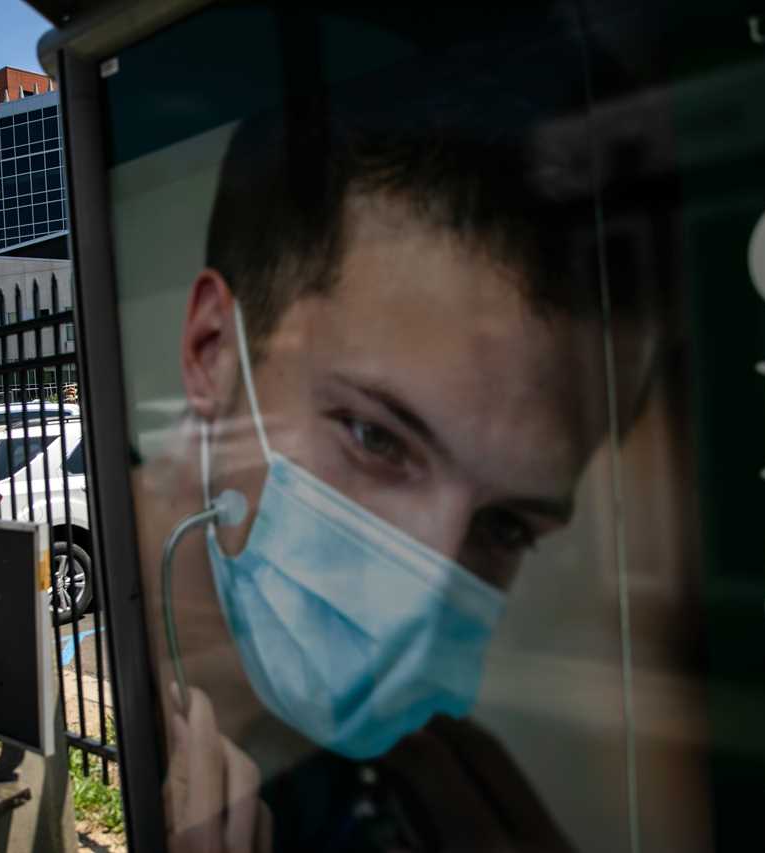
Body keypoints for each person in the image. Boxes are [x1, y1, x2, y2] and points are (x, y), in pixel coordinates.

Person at [129, 49, 655, 853]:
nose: (425, 597)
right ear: (209, 350)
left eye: (506, 525)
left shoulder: (459, 796)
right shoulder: (61, 675)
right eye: (377, 438)